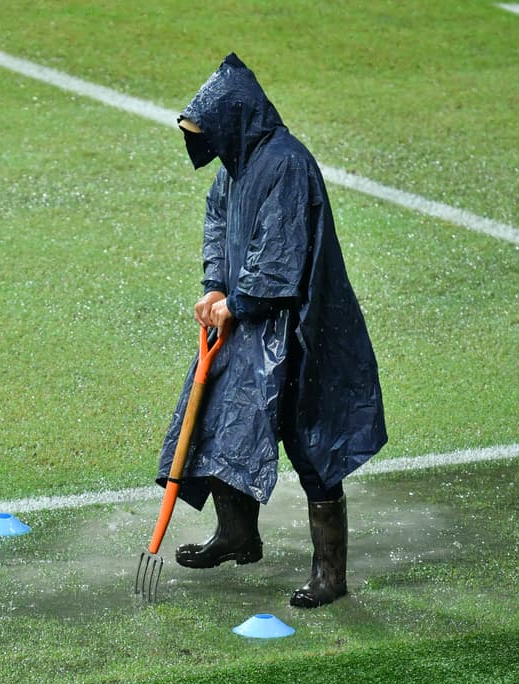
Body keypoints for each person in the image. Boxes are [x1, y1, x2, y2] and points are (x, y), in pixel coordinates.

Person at [157, 52, 387, 608]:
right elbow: (218, 225)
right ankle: (237, 535)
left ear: (233, 119)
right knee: (217, 422)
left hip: (300, 329)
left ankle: (330, 575)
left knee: (313, 447)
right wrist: (216, 287)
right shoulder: (234, 168)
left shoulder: (286, 164)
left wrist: (237, 301)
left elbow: (281, 257)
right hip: (247, 321)